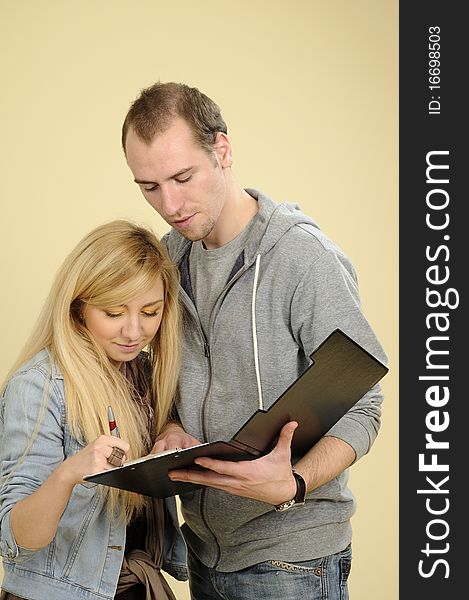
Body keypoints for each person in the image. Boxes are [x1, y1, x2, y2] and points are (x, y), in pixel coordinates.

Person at [121, 81, 387, 600]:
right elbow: (173, 376)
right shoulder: (168, 259)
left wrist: (294, 484)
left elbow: (365, 402)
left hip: (291, 561)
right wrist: (173, 427)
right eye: (149, 187)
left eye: (182, 177)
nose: (170, 203)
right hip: (202, 554)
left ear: (221, 149)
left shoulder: (300, 258)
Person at [0, 220, 187, 600]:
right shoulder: (38, 387)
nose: (134, 332)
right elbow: (15, 539)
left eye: (150, 312)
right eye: (114, 314)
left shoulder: (146, 374)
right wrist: (69, 474)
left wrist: (170, 427)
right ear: (78, 308)